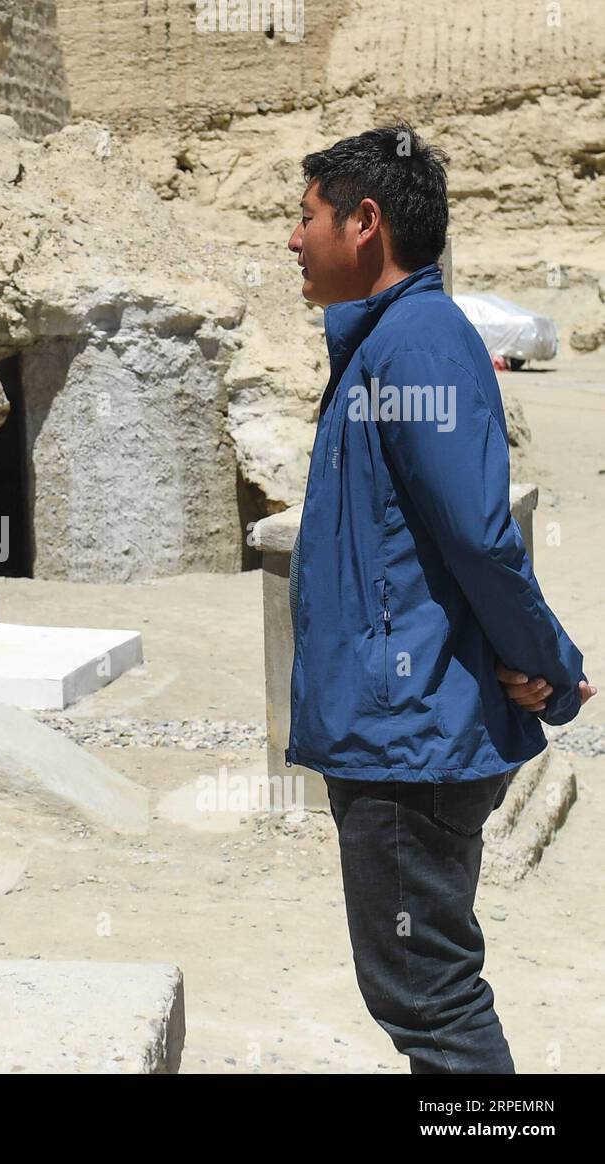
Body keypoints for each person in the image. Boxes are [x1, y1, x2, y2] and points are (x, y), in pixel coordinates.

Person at [284, 123, 596, 1073]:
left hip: (406, 742)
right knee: (425, 993)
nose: (292, 241)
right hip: (398, 728)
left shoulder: (416, 342)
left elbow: (476, 535)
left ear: (365, 221)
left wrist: (548, 664)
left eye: (305, 219)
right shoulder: (391, 339)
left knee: (431, 1000)